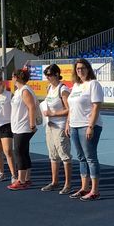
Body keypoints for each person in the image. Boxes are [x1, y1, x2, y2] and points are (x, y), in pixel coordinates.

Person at [67, 58, 106, 202]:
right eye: (77, 68)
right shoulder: (76, 85)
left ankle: (95, 190)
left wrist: (91, 126)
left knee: (90, 158)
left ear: (88, 69)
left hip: (87, 125)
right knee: (81, 158)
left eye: (83, 68)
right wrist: (68, 123)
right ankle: (84, 188)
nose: (80, 70)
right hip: (74, 125)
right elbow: (71, 107)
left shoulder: (93, 84)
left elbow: (96, 106)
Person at [39, 64, 74, 193]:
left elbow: (69, 109)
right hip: (50, 125)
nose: (47, 77)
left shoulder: (63, 89)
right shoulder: (49, 88)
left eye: (49, 75)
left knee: (64, 155)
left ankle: (68, 184)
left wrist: (53, 114)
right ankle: (54, 182)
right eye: (46, 75)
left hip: (60, 126)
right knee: (53, 155)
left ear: (56, 74)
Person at [8, 68, 40, 190]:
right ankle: (26, 178)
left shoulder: (25, 90)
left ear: (16, 77)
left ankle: (21, 180)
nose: (11, 79)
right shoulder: (18, 91)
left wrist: (32, 124)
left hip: (24, 126)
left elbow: (31, 106)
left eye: (12, 76)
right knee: (24, 152)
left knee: (19, 152)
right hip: (18, 126)